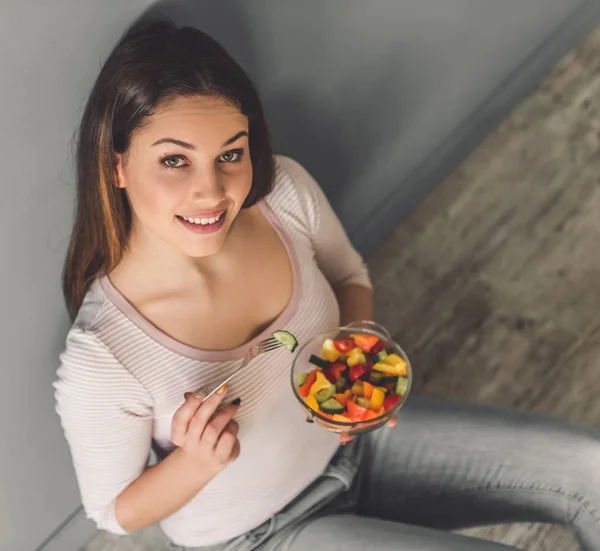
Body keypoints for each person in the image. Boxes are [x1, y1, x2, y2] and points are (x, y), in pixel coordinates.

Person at [54, 18, 600, 551]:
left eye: (230, 155)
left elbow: (348, 276)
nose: (213, 191)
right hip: (260, 532)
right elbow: (114, 512)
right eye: (175, 160)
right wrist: (196, 462)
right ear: (116, 165)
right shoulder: (102, 356)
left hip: (361, 446)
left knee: (591, 465)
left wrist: (352, 363)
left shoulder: (282, 194)